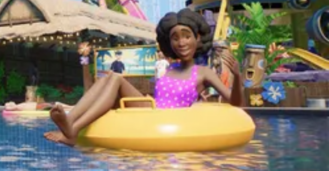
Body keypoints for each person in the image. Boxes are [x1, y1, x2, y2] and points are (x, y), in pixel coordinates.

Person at [44, 9, 242, 147]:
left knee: (115, 79)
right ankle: (70, 121)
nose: (181, 42)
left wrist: (238, 77)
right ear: (169, 42)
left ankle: (73, 129)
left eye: (186, 36)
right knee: (112, 76)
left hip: (169, 118)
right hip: (151, 109)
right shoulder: (170, 68)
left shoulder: (203, 72)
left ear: (197, 38)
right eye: (175, 38)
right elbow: (156, 94)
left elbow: (234, 102)